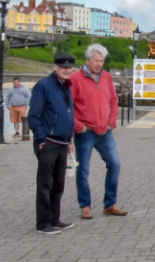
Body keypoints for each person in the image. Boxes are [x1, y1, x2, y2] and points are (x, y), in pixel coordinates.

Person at [70, 44, 127, 219]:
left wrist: (111, 121)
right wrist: (79, 126)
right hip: (85, 132)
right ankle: (85, 206)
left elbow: (113, 100)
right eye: (96, 60)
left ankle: (110, 204)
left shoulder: (107, 77)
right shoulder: (75, 79)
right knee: (83, 170)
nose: (99, 64)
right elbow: (67, 107)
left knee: (115, 164)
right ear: (87, 60)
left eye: (101, 61)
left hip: (105, 131)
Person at [28, 53, 77, 235]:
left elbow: (67, 114)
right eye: (63, 67)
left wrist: (69, 140)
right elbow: (34, 115)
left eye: (69, 67)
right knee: (45, 184)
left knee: (58, 184)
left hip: (62, 142)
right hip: (48, 142)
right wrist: (41, 140)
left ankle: (55, 218)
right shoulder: (43, 86)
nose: (67, 70)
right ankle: (43, 223)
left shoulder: (66, 86)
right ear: (55, 67)